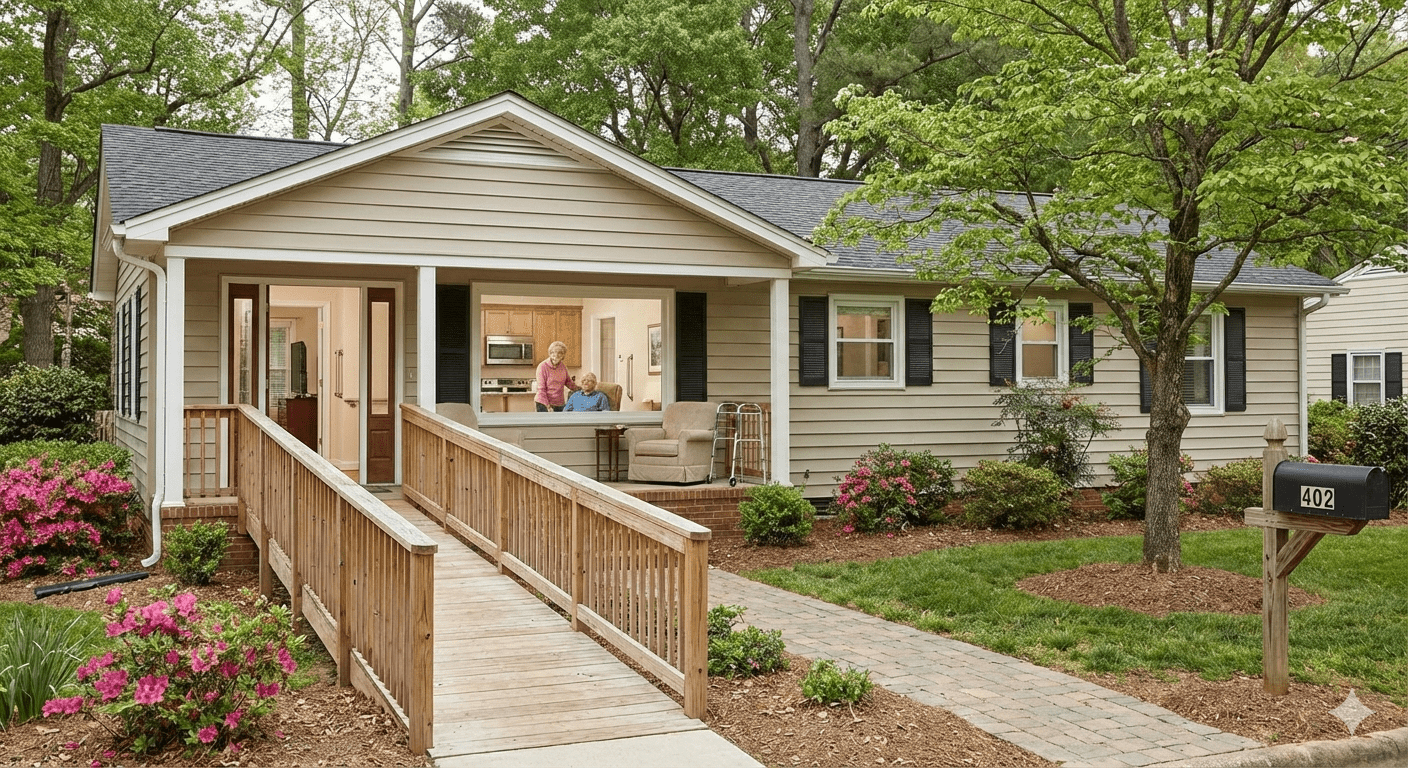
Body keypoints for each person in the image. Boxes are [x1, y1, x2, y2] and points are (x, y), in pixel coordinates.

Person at [534, 340, 578, 412]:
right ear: (549, 353)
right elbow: (541, 389)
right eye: (553, 352)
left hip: (559, 403)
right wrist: (548, 406)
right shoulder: (542, 366)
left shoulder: (563, 367)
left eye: (560, 353)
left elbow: (569, 383)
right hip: (543, 403)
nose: (556, 355)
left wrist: (582, 389)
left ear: (563, 355)